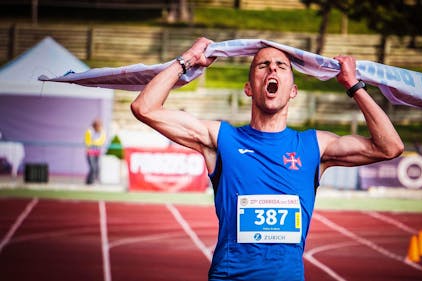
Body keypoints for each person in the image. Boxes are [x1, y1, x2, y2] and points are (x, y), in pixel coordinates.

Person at [131, 37, 404, 281]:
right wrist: (188, 59)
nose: (272, 69)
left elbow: (389, 146)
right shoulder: (222, 139)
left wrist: (354, 86)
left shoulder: (314, 146)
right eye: (263, 65)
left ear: (293, 91)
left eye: (281, 66)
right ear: (249, 89)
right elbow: (144, 107)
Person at [84, 118, 106, 185]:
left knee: (96, 168)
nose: (99, 127)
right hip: (90, 153)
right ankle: (89, 181)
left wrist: (94, 142)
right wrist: (94, 142)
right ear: (95, 126)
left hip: (97, 152)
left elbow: (102, 141)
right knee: (92, 167)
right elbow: (87, 142)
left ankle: (91, 181)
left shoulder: (102, 131)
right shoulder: (89, 131)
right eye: (98, 125)